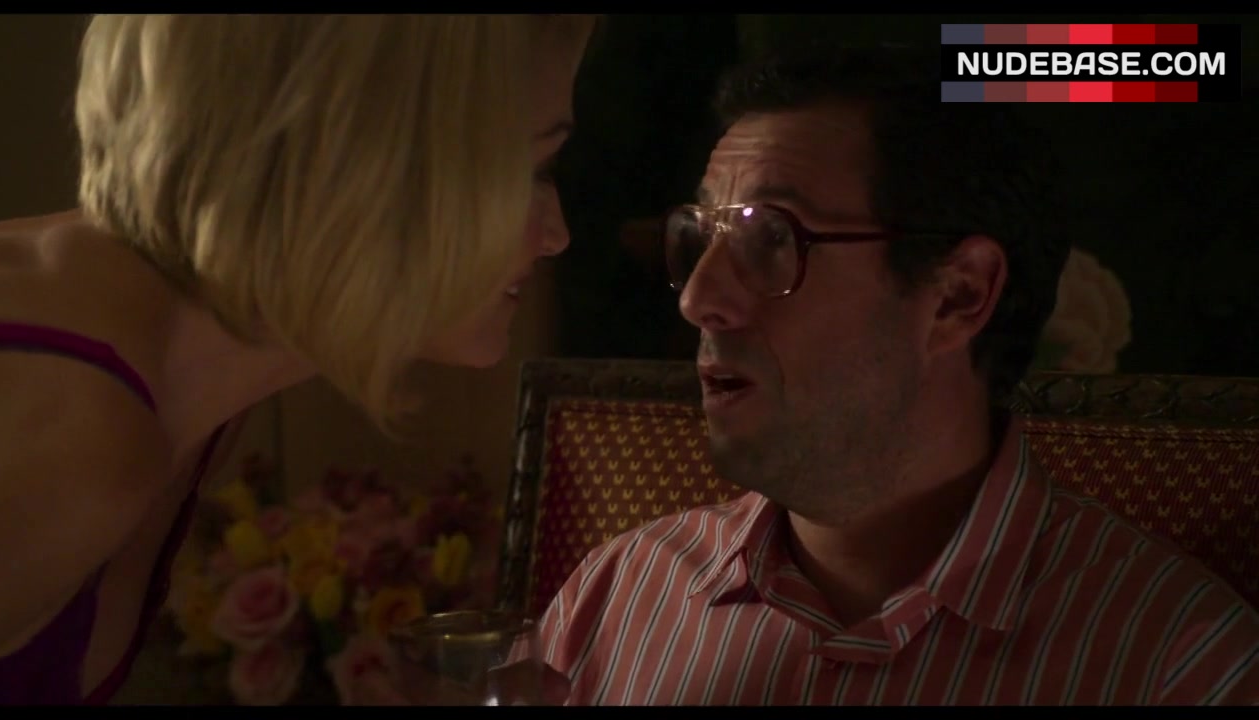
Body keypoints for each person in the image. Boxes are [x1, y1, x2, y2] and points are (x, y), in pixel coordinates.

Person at [537, 43, 1259, 705]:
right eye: (700, 237)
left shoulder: (1181, 665)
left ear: (957, 295)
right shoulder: (613, 600)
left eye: (771, 238)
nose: (699, 298)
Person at [0, 13, 596, 704]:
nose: (558, 235)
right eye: (534, 169)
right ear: (365, 161)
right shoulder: (64, 426)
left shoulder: (197, 365)